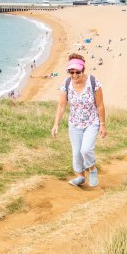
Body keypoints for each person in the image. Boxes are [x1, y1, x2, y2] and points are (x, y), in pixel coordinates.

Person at [51, 53, 107, 187]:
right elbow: (62, 105)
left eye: (78, 72)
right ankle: (81, 177)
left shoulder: (94, 82)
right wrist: (56, 124)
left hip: (91, 122)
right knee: (76, 153)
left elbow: (100, 105)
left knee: (86, 150)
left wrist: (102, 125)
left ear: (83, 70)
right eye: (71, 72)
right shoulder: (66, 83)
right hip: (74, 123)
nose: (75, 75)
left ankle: (92, 169)